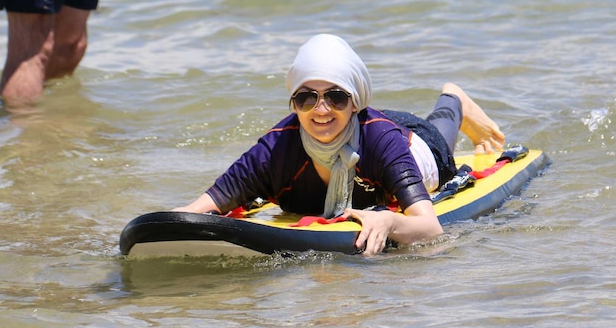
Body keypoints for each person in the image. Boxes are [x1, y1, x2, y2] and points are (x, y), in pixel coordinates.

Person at [174, 34, 506, 256]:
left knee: (439, 140)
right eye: (306, 98)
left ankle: (454, 98)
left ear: (354, 100)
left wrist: (389, 222)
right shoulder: (275, 150)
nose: (320, 109)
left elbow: (430, 228)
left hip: (410, 143)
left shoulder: (384, 141)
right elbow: (199, 208)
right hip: (362, 128)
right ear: (293, 104)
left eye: (335, 96)